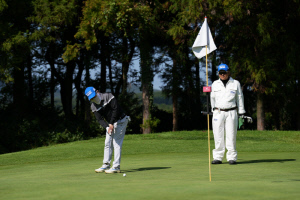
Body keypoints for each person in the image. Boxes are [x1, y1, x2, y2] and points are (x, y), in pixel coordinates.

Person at [85, 87, 130, 173]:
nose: (94, 99)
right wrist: (107, 127)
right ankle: (106, 164)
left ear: (97, 91)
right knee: (107, 143)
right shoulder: (93, 106)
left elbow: (115, 109)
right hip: (110, 124)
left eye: (94, 96)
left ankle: (116, 166)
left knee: (116, 143)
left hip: (121, 120)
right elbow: (100, 119)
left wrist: (111, 123)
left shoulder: (108, 96)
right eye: (92, 98)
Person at [210, 64, 245, 165]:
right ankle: (218, 157)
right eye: (220, 73)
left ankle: (231, 157)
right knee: (218, 135)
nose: (222, 75)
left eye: (224, 72)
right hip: (218, 112)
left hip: (231, 112)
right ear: (218, 73)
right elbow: (212, 98)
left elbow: (239, 98)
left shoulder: (235, 83)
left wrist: (241, 112)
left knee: (231, 134)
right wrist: (213, 110)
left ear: (228, 72)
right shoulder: (215, 84)